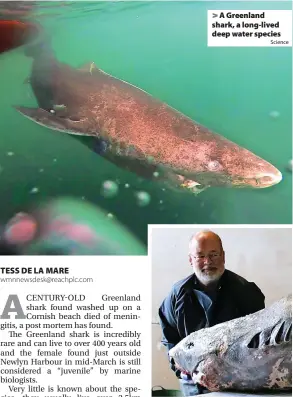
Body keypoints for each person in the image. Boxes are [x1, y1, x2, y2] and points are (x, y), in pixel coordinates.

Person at [158, 230, 265, 397]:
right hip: (192, 385)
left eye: (213, 254)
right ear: (190, 260)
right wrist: (181, 370)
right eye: (200, 256)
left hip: (235, 386)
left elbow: (259, 342)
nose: (207, 262)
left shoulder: (246, 291)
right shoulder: (177, 294)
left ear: (223, 256)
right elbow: (170, 340)